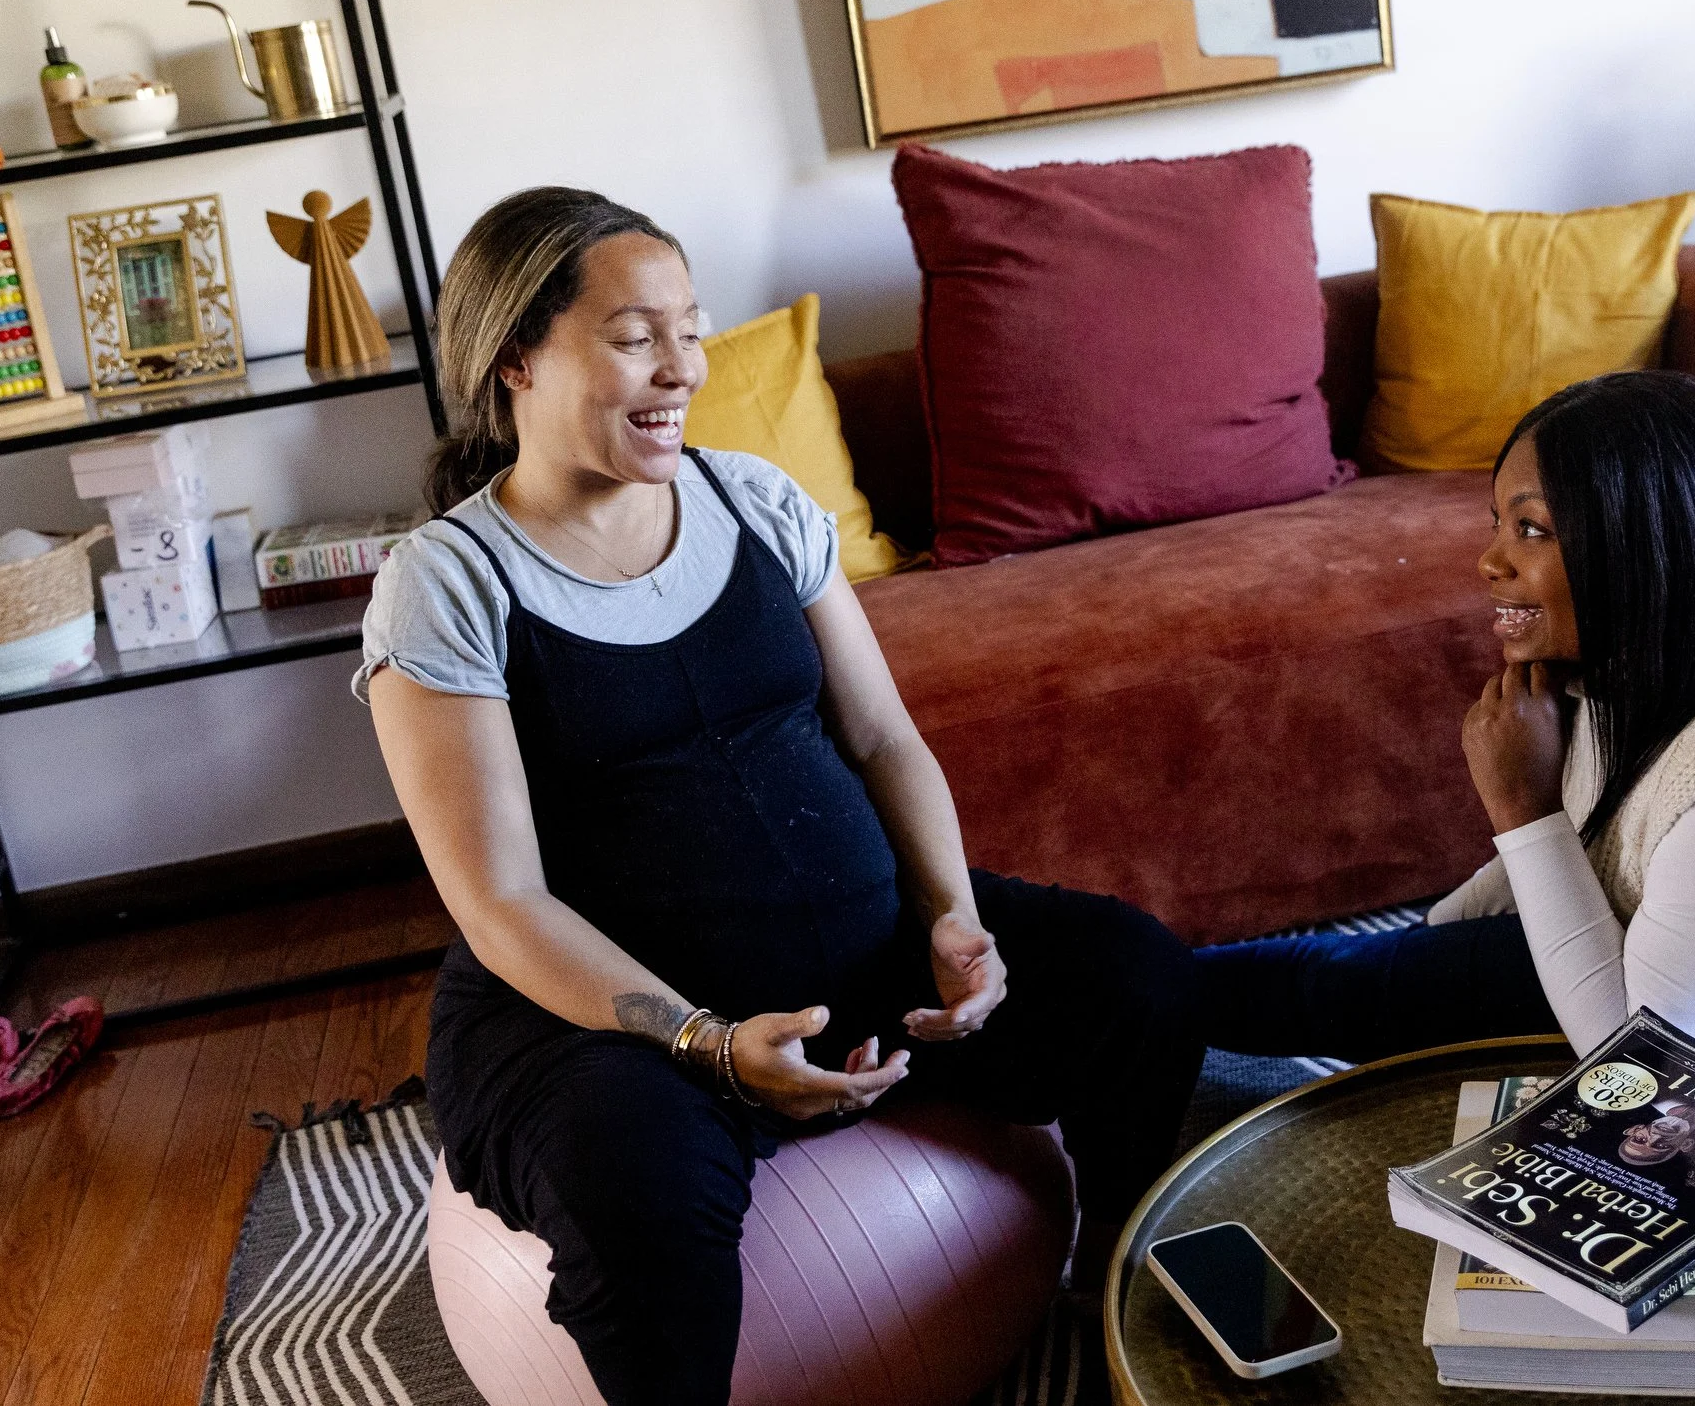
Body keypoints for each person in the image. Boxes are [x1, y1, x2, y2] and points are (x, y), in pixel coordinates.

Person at [360, 187, 1203, 1406]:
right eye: (635, 334)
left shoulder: (752, 501)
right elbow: (498, 898)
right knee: (635, 1192)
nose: (681, 368)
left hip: (862, 961)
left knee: (1141, 979)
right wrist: (703, 1043)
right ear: (515, 361)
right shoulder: (448, 582)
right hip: (609, 1019)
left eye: (690, 330)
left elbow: (882, 735)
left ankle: (1111, 1286)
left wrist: (952, 918)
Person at [1198, 371, 1695, 1148]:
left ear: (1649, 547)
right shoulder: (1627, 677)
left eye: (1532, 529)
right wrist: (1415, 962)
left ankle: (1153, 991)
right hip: (1691, 1032)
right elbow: (1569, 863)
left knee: (1385, 1134)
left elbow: (1640, 1078)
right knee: (1329, 982)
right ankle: (1150, 984)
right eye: (1499, 526)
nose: (1490, 562)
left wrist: (1523, 811)